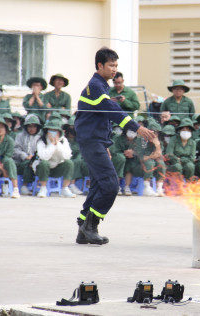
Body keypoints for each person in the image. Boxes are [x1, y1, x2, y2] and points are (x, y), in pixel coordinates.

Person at [74, 47, 154, 245]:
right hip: (91, 142)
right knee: (111, 185)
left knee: (99, 184)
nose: (114, 69)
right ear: (100, 65)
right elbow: (110, 110)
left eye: (116, 65)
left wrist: (106, 144)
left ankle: (83, 229)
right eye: (111, 65)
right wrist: (136, 127)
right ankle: (91, 226)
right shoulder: (95, 85)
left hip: (96, 142)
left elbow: (100, 118)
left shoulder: (102, 86)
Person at [32, 119, 76, 198]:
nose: (53, 133)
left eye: (55, 131)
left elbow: (67, 156)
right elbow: (43, 157)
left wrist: (57, 144)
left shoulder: (63, 140)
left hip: (57, 168)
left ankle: (65, 188)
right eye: (51, 131)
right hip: (42, 168)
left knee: (69, 163)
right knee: (44, 163)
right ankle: (43, 188)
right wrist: (52, 144)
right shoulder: (42, 140)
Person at [14, 114, 41, 195]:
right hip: (20, 163)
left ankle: (39, 186)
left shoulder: (39, 138)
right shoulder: (20, 136)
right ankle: (24, 186)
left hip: (35, 162)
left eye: (34, 126)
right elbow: (15, 149)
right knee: (28, 163)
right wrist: (25, 156)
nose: (31, 129)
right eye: (29, 126)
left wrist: (34, 158)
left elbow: (41, 151)